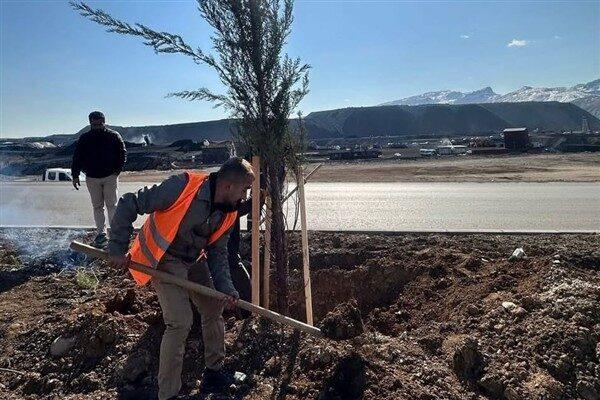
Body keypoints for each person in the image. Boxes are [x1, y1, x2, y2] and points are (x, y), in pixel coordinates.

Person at [107, 157, 255, 399]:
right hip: (163, 258)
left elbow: (218, 253)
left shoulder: (228, 212)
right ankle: (168, 394)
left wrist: (226, 288)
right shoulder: (183, 185)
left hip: (193, 259)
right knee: (180, 321)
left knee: (212, 308)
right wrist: (116, 247)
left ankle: (214, 373)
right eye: (244, 190)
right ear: (229, 186)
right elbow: (129, 202)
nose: (245, 197)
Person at [71, 111, 126, 248]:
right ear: (90, 123)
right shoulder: (84, 138)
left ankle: (114, 234)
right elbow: (77, 157)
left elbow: (122, 153)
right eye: (95, 124)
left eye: (100, 123)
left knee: (112, 205)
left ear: (104, 121)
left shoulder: (113, 136)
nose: (98, 126)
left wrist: (116, 172)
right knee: (97, 206)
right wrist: (75, 175)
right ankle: (101, 234)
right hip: (92, 177)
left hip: (110, 177)